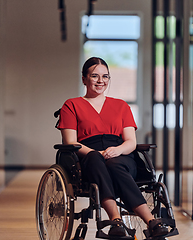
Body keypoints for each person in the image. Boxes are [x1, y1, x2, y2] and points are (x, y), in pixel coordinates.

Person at [57, 57, 168, 237]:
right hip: (87, 156)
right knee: (97, 159)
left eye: (105, 76)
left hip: (121, 153)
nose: (101, 81)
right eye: (95, 76)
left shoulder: (121, 105)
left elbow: (131, 141)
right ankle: (116, 219)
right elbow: (70, 142)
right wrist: (96, 153)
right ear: (84, 79)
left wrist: (118, 150)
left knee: (115, 164)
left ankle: (151, 221)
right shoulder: (71, 105)